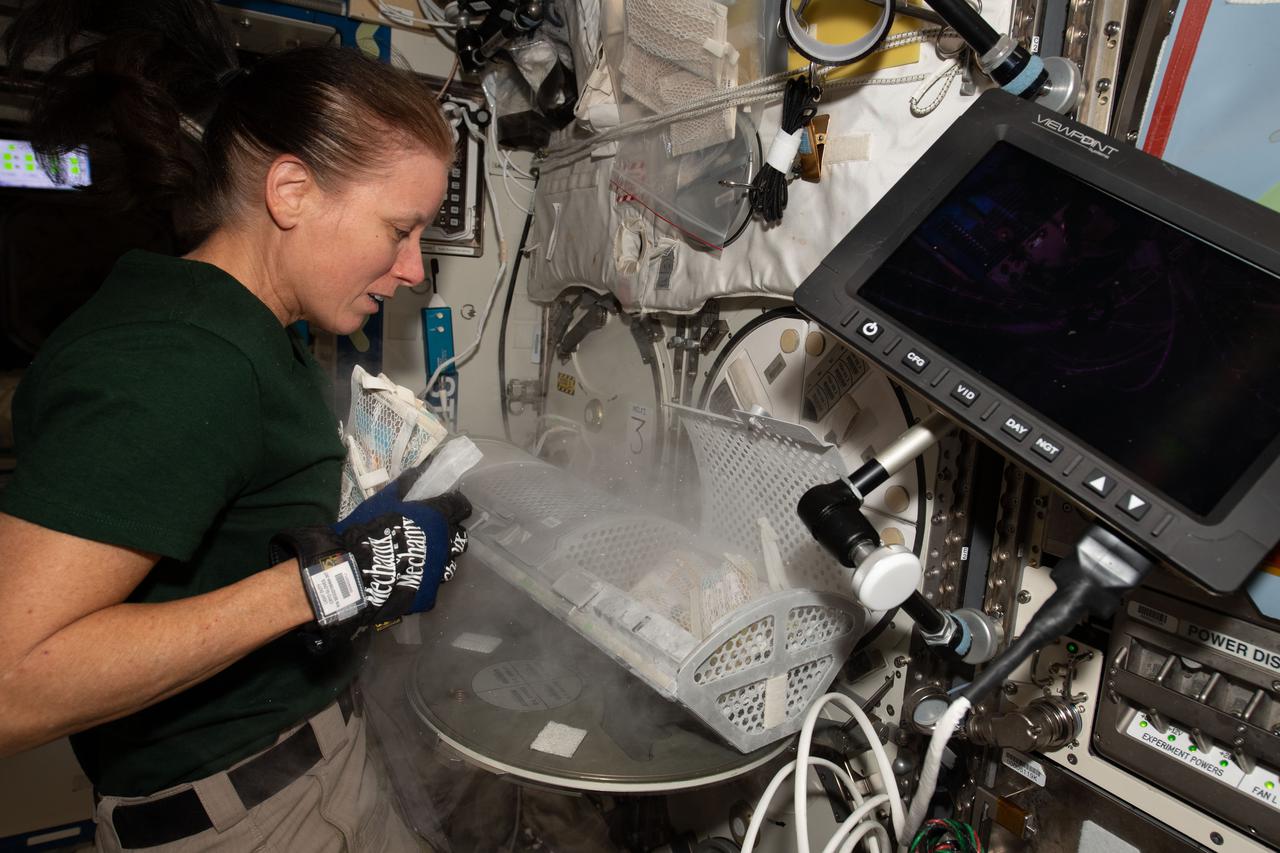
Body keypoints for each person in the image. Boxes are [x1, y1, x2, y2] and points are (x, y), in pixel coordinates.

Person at [0, 1, 470, 849]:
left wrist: (368, 528)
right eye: (400, 230)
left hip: (313, 768)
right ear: (290, 192)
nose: (412, 270)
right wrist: (338, 579)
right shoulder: (184, 357)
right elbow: (12, 683)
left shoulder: (247, 326)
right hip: (253, 821)